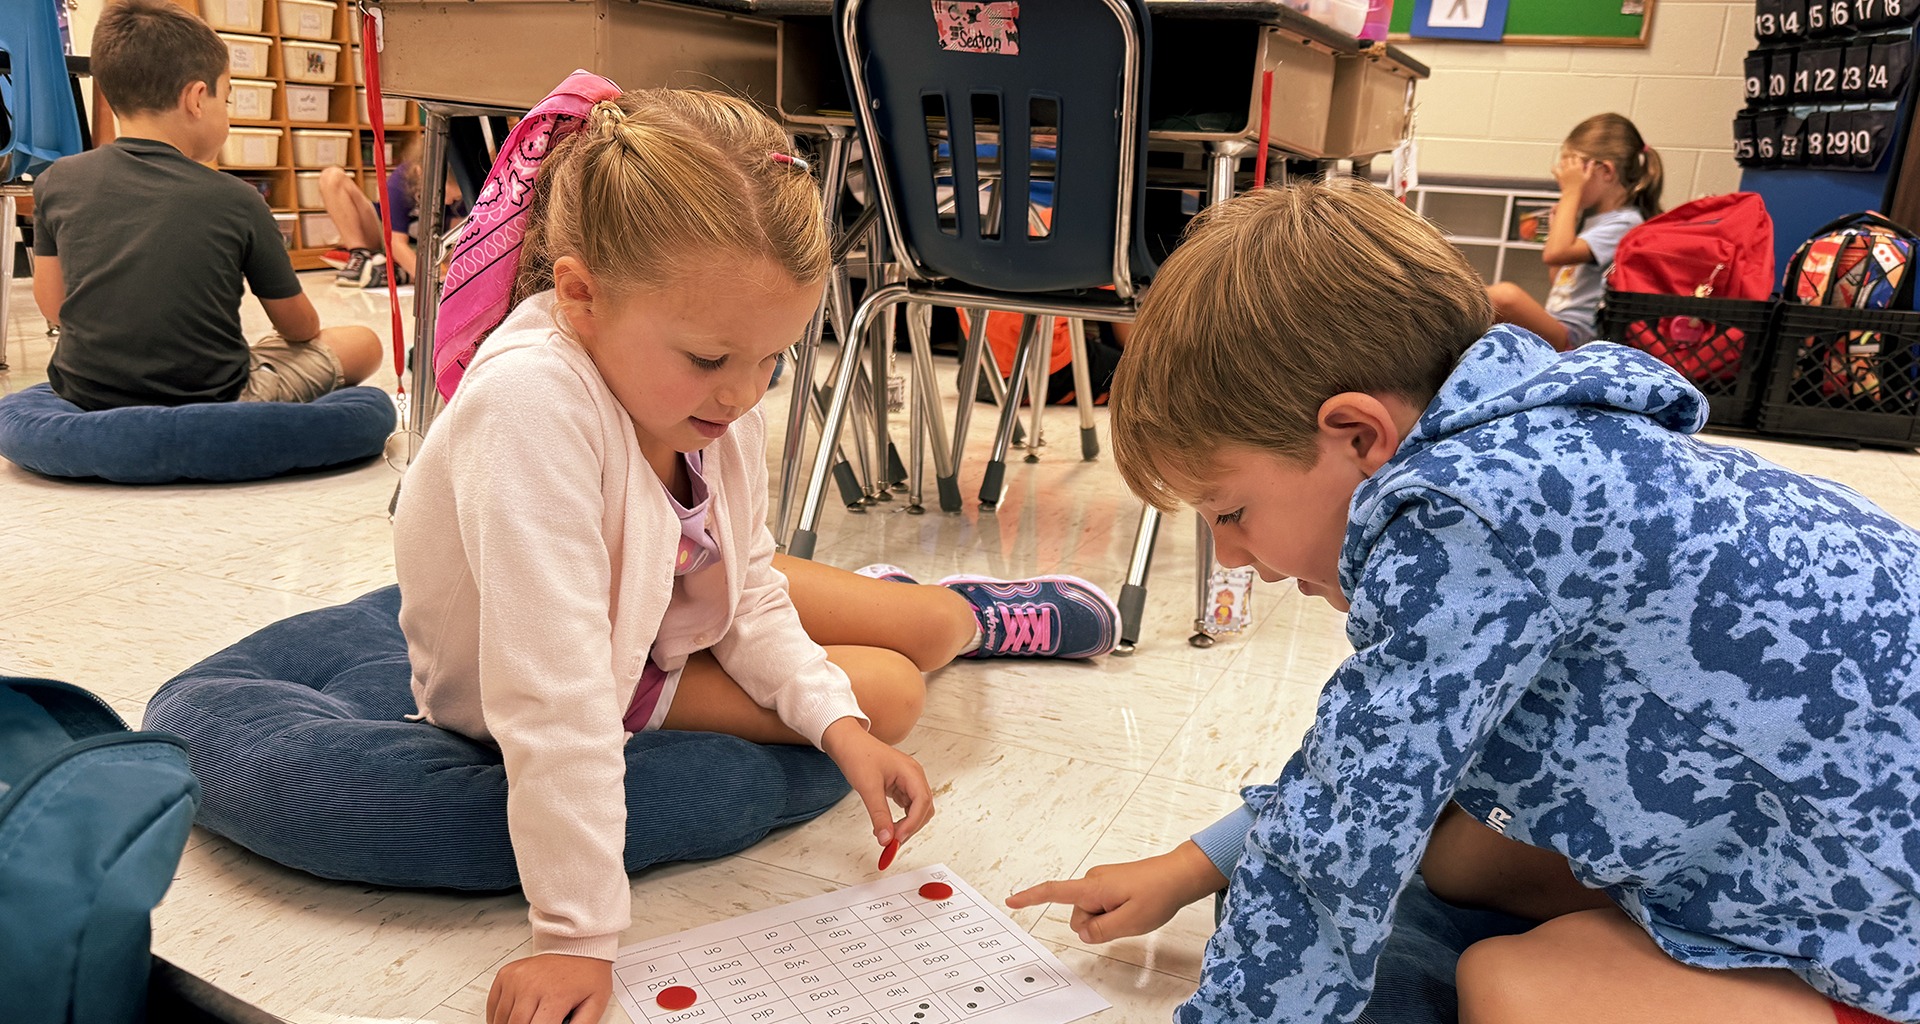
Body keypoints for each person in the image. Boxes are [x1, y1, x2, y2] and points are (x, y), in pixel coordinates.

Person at [1007, 178, 1920, 1024]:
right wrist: (1195, 864)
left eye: (1232, 512)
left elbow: (1341, 834)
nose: (1237, 556)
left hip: (1891, 921)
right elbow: (1381, 758)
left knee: (1513, 986)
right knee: (1462, 848)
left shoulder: (1465, 519)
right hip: (1844, 814)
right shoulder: (1525, 430)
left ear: (1359, 433)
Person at [392, 86, 1121, 1024]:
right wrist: (575, 938)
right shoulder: (532, 407)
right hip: (577, 658)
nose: (743, 394)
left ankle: (953, 607)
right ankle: (904, 613)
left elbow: (751, 587)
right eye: (710, 360)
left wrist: (832, 724)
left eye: (772, 359)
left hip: (663, 599)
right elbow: (554, 692)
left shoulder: (700, 382)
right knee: (891, 691)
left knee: (928, 633)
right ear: (578, 295)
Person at [30, 0, 380, 411]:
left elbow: (53, 305)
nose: (226, 114)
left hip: (85, 391)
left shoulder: (56, 180)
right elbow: (300, 327)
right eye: (226, 100)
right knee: (364, 343)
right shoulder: (237, 198)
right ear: (197, 98)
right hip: (216, 395)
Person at [1486, 113, 1662, 351]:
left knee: (1505, 297)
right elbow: (1560, 279)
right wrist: (1564, 219)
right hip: (1563, 325)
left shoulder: (1626, 223)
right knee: (1496, 308)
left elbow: (1555, 254)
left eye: (1572, 174)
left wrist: (1571, 193)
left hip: (1581, 337)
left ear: (1606, 171)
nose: (1564, 181)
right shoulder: (1596, 222)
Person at [316, 136, 467, 289]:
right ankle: (361, 255)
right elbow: (395, 243)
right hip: (385, 237)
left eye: (456, 198)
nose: (449, 202)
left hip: (432, 249)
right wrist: (434, 280)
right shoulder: (402, 179)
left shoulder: (462, 186)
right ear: (421, 173)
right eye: (445, 195)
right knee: (331, 177)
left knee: (466, 225)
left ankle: (395, 270)